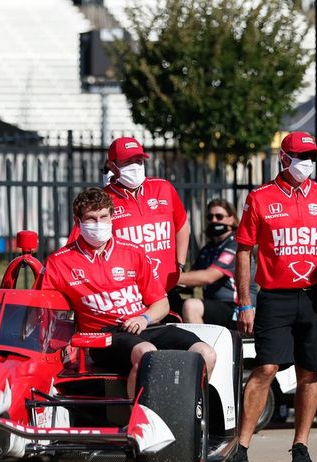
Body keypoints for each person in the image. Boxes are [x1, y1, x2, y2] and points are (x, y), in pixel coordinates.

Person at [223, 132, 317, 462]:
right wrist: (244, 302)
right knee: (266, 368)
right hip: (275, 296)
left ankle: (301, 446)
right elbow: (244, 251)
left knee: (309, 372)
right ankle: (241, 446)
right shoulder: (260, 198)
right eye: (300, 156)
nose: (307, 163)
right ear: (283, 158)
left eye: (312, 157)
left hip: (316, 297)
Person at [43, 187, 216, 399]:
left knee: (205, 353)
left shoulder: (132, 251)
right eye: (91, 218)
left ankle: (186, 415)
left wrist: (144, 318)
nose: (98, 224)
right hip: (104, 336)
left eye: (103, 217)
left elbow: (162, 304)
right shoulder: (59, 262)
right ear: (77, 221)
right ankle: (141, 422)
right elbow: (44, 313)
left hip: (145, 325)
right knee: (146, 353)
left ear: (112, 216)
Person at [69, 137, 190, 295]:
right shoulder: (102, 201)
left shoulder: (163, 188)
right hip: (126, 294)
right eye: (127, 162)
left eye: (139, 161)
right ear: (112, 165)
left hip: (167, 287)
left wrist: (179, 265)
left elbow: (181, 225)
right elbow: (79, 245)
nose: (135, 167)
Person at [177, 199, 256, 328]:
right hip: (213, 306)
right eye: (210, 217)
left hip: (238, 308)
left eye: (219, 217)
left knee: (191, 306)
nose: (214, 220)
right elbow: (190, 279)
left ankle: (204, 347)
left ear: (231, 219)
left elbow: (209, 276)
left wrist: (169, 278)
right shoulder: (208, 249)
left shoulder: (235, 244)